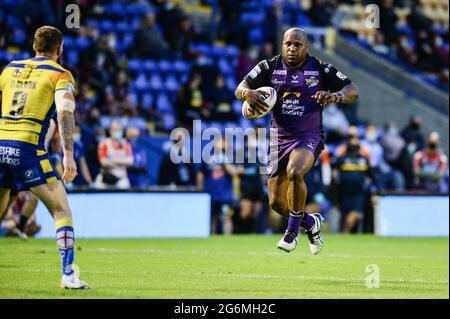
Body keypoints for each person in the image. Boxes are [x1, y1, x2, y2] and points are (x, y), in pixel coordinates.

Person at [235, 27, 359, 254]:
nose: (291, 48)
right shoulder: (268, 67)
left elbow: (352, 89)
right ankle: (311, 224)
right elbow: (240, 87)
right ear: (282, 45)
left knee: (295, 171)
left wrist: (335, 96)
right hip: (278, 139)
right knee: (277, 204)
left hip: (308, 135)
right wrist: (248, 94)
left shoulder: (319, 68)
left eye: (297, 45)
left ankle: (291, 233)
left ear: (306, 47)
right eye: (288, 44)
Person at [0, 26, 90, 288]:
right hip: (27, 149)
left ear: (34, 46)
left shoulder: (9, 69)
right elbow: (65, 113)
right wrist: (69, 155)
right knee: (61, 208)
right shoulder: (60, 74)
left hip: (1, 144)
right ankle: (69, 274)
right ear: (59, 50)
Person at [333, 137, 377, 233]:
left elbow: (372, 175)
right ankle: (346, 233)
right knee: (345, 214)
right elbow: (334, 172)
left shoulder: (363, 159)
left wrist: (377, 188)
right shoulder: (342, 159)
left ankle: (345, 231)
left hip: (359, 193)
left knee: (356, 214)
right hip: (344, 192)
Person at [95, 121, 134, 189]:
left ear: (122, 131)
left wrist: (112, 160)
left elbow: (130, 161)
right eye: (115, 130)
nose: (117, 132)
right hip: (105, 179)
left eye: (119, 130)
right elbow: (103, 162)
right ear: (110, 131)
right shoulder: (104, 143)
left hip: (122, 179)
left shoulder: (126, 144)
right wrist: (122, 162)